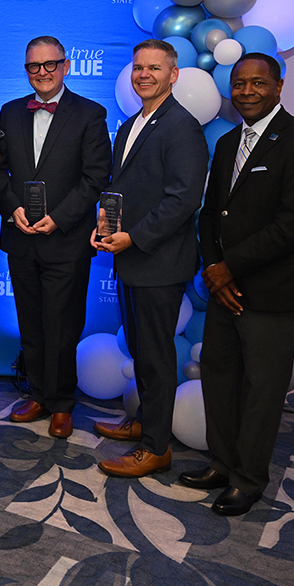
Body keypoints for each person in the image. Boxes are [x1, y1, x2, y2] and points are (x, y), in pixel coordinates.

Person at [182, 53, 294, 516]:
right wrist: (214, 268)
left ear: (279, 86)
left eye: (258, 83)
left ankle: (248, 480)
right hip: (225, 289)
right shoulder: (227, 144)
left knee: (262, 389)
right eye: (239, 83)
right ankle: (222, 464)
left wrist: (231, 268)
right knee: (220, 379)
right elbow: (210, 216)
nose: (246, 91)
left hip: (273, 292)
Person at [90, 39, 207, 478]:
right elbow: (124, 190)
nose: (144, 75)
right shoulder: (131, 124)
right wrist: (103, 222)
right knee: (142, 350)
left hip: (157, 260)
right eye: (139, 67)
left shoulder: (182, 126)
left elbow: (183, 200)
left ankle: (157, 447)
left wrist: (133, 239)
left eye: (155, 68)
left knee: (156, 356)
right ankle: (144, 423)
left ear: (173, 74)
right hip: (131, 258)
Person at [0, 36, 110, 438]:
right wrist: (12, 208)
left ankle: (61, 403)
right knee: (31, 322)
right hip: (22, 236)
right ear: (26, 70)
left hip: (67, 239)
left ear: (66, 66)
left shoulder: (91, 114)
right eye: (33, 66)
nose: (42, 72)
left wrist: (59, 218)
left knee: (62, 324)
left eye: (50, 64)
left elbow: (96, 178)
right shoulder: (9, 113)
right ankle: (39, 394)